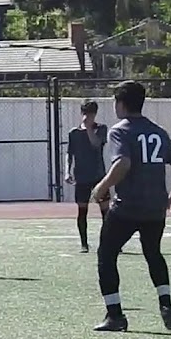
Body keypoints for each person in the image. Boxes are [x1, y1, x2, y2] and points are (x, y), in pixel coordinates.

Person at [90, 80, 171, 333]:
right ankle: (166, 306)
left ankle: (115, 315)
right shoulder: (158, 131)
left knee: (106, 255)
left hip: (128, 206)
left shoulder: (120, 130)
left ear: (120, 104)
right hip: (155, 207)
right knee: (153, 253)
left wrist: (101, 187)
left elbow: (122, 163)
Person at [66, 101, 110, 253]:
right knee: (82, 210)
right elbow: (69, 153)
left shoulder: (101, 129)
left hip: (98, 176)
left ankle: (109, 242)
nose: (87, 116)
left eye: (91, 113)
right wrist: (67, 171)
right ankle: (84, 244)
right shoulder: (74, 133)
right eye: (85, 113)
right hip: (82, 176)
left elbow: (96, 144)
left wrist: (89, 128)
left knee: (105, 210)